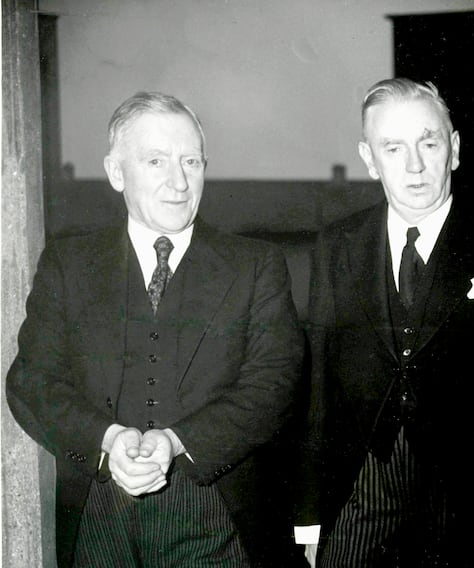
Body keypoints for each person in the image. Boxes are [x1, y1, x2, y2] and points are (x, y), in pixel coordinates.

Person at [6, 91, 305, 567]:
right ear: (116, 171)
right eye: (155, 161)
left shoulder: (255, 265)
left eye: (191, 161)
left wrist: (176, 441)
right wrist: (105, 438)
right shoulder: (69, 263)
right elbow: (31, 380)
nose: (179, 182)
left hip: (215, 514)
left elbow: (274, 385)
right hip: (97, 514)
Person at [294, 77, 474, 567]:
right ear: (368, 158)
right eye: (393, 148)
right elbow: (318, 388)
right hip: (362, 484)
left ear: (455, 148)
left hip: (469, 495)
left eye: (429, 142)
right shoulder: (337, 246)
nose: (415, 165)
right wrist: (311, 516)